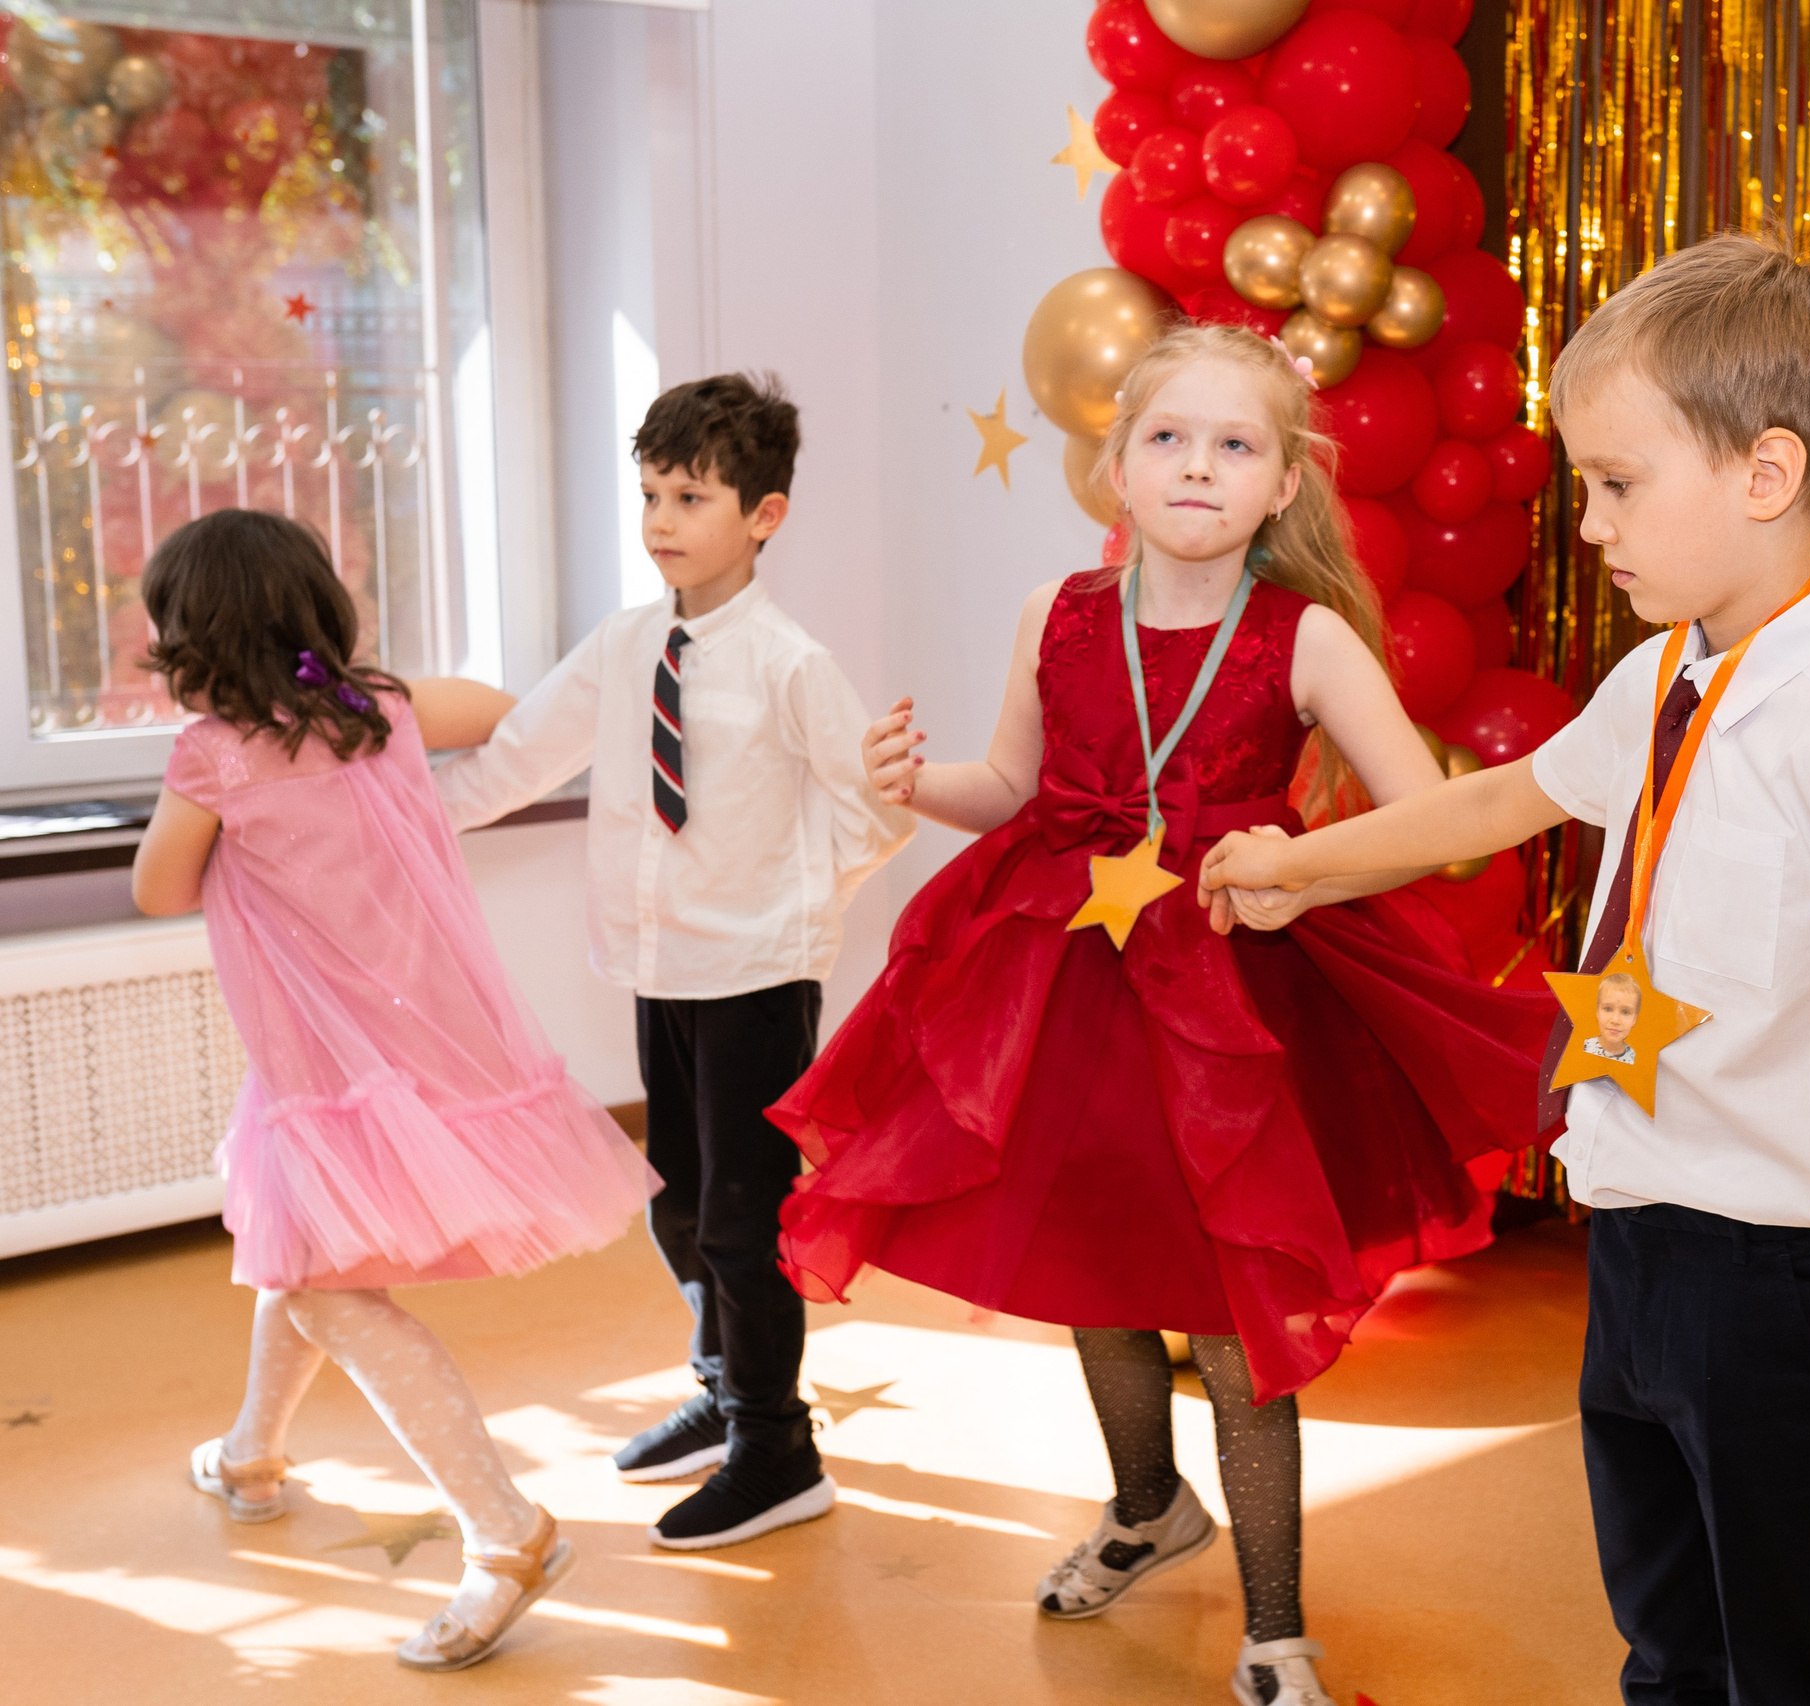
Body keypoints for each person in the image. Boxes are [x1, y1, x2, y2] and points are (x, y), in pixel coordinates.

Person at [1202, 234, 1810, 1706]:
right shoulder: (1671, 667)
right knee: (1673, 1646)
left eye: (1620, 485)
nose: (1589, 522)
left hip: (1787, 1278)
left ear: (1765, 474)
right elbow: (1503, 801)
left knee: (1801, 1664)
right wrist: (1296, 865)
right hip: (1642, 1238)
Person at [767, 323, 1554, 1706]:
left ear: (1283, 485)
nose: (1200, 465)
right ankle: (1146, 1506)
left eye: (1235, 445)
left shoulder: (1302, 634)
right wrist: (908, 780)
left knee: (1239, 1306)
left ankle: (1273, 1626)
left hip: (1239, 997)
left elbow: (1433, 825)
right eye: (1169, 439)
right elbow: (1012, 787)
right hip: (1068, 976)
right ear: (1114, 468)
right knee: (1094, 1264)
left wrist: (1302, 874)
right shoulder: (1057, 613)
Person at [132, 509, 656, 1671]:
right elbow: (507, 709)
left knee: (325, 1281)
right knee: (307, 1250)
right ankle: (252, 1454)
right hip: (424, 1044)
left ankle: (504, 1531)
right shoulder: (385, 709)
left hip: (328, 1064)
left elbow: (159, 886)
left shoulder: (213, 753)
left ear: (194, 637)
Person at [435, 373, 914, 1551]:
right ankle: (724, 1385)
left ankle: (777, 1446)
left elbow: (877, 812)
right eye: (649, 492)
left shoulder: (789, 660)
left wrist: (794, 907)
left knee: (750, 1219)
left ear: (763, 514)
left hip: (756, 972)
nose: (659, 518)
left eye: (690, 494)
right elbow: (512, 757)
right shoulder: (625, 641)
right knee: (685, 1202)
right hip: (660, 968)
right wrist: (395, 820)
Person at [1584, 971, 1641, 1062]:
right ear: (1597, 1011)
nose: (1615, 1020)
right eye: (1608, 1009)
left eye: (1625, 1012)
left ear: (1634, 1019)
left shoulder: (1634, 1058)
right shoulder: (1585, 1047)